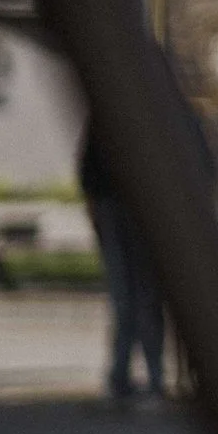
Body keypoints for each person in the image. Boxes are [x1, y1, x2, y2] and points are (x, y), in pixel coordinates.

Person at [78, 120, 166, 406]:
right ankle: (144, 376)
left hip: (117, 205)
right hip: (129, 205)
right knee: (140, 296)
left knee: (129, 296)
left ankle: (127, 375)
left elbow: (89, 172)